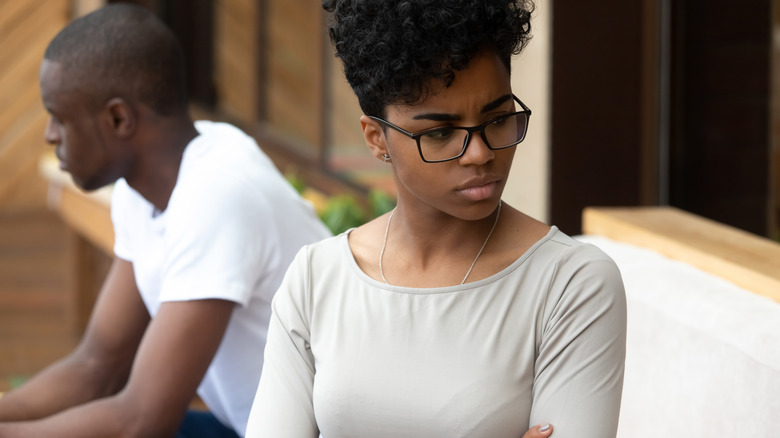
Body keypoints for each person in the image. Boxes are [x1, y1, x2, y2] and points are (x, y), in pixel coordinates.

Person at [245, 0, 627, 437]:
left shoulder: (571, 284)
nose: (481, 154)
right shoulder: (317, 279)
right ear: (376, 138)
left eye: (498, 118)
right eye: (441, 133)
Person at [0, 4, 330, 438]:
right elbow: (99, 364)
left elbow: (142, 421)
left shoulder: (218, 194)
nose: (49, 135)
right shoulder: (148, 187)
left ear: (118, 118)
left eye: (60, 117)